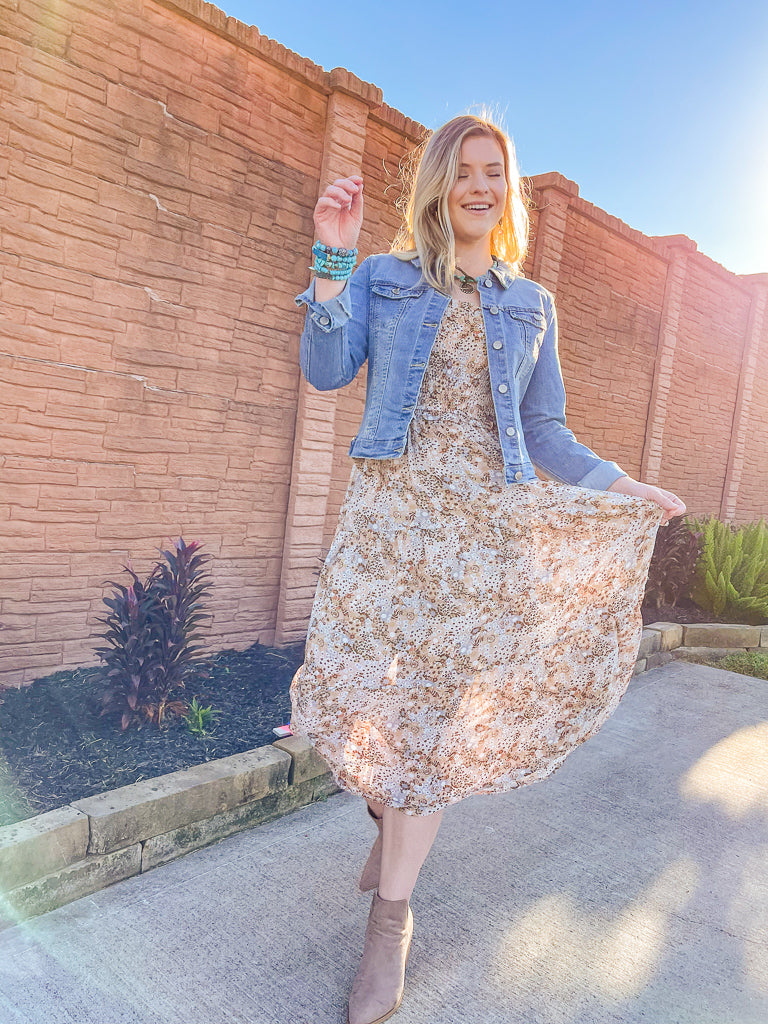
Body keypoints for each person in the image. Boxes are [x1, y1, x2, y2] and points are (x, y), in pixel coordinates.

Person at [290, 114, 686, 1024]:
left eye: (493, 173)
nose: (479, 185)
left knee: (426, 730)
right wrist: (331, 264)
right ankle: (387, 821)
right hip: (389, 526)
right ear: (437, 184)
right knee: (352, 698)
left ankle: (391, 922)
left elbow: (545, 433)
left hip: (479, 538)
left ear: (505, 192)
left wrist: (625, 486)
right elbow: (324, 368)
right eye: (464, 170)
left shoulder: (528, 302)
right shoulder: (386, 278)